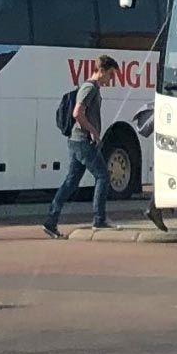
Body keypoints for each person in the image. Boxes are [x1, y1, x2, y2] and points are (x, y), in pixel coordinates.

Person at [43, 55, 120, 238]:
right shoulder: (90, 88)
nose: (111, 79)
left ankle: (51, 221)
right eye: (110, 74)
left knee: (71, 182)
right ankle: (99, 219)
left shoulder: (91, 88)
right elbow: (77, 113)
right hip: (82, 141)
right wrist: (93, 131)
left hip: (76, 141)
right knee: (103, 176)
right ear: (101, 71)